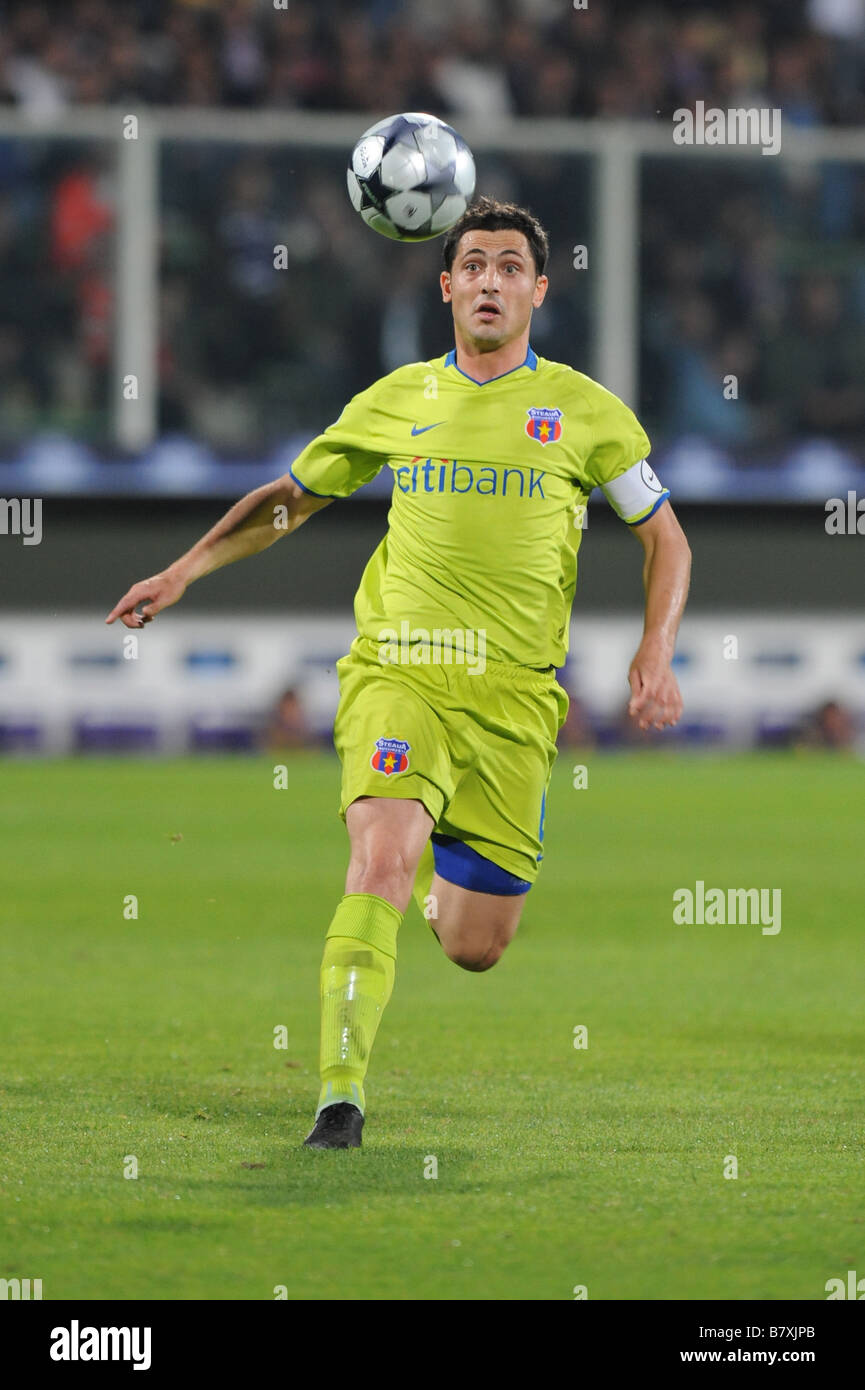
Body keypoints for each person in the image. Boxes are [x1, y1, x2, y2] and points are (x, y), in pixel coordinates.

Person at [106, 196, 692, 1150]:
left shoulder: (585, 412)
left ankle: (437, 898)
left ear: (538, 290)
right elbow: (291, 501)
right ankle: (339, 1098)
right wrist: (180, 572)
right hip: (400, 671)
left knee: (474, 947)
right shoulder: (396, 400)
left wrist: (653, 649)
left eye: (510, 266)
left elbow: (664, 539)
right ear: (446, 286)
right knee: (379, 860)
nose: (490, 280)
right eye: (473, 265)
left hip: (514, 700)